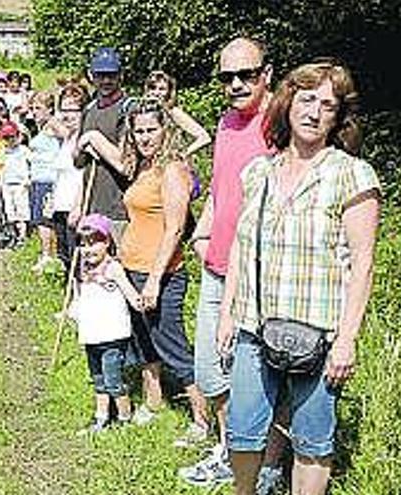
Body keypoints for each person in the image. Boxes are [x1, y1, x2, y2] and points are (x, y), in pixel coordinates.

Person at [216, 60, 380, 495]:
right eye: (307, 99)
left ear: (337, 117)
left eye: (327, 105)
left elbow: (363, 262)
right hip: (254, 325)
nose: (314, 112)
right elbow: (239, 247)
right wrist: (228, 314)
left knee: (312, 441)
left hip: (320, 331)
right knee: (243, 432)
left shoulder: (352, 174)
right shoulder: (259, 172)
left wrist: (346, 339)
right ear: (288, 103)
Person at [179, 37, 283, 488]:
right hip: (216, 267)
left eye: (246, 73)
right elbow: (223, 192)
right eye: (227, 77)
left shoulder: (281, 123)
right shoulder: (224, 123)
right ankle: (232, 450)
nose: (236, 84)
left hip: (260, 276)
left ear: (268, 72)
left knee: (262, 378)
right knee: (209, 369)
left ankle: (269, 465)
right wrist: (202, 236)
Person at [84, 100, 209, 435]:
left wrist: (154, 280)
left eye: (151, 129)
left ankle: (203, 419)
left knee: (173, 347)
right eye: (138, 131)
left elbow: (175, 228)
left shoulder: (173, 169)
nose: (144, 137)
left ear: (165, 129)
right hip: (131, 268)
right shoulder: (142, 167)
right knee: (143, 345)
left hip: (162, 274)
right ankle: (153, 401)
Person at [71, 213, 143, 433]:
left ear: (107, 242)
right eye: (83, 244)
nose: (88, 249)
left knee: (113, 379)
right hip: (91, 334)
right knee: (98, 379)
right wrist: (72, 312)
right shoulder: (81, 269)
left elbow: (130, 293)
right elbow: (78, 297)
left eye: (94, 243)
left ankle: (124, 418)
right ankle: (101, 417)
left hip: (112, 335)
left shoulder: (113, 268)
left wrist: (140, 302)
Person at [74, 47, 137, 239]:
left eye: (111, 75)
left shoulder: (128, 110)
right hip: (91, 206)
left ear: (121, 76)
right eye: (100, 75)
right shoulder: (89, 109)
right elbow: (78, 163)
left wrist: (93, 138)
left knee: (117, 267)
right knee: (92, 266)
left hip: (119, 209)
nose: (106, 81)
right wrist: (78, 204)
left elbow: (126, 165)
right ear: (91, 76)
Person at [51, 82, 89, 272]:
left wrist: (78, 206)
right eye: (63, 109)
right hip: (60, 207)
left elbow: (85, 175)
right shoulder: (67, 138)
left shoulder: (85, 140)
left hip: (75, 209)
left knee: (78, 260)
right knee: (65, 257)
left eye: (73, 109)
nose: (67, 114)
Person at [27, 91, 62, 271]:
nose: (34, 112)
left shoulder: (53, 124)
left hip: (48, 179)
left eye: (38, 108)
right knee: (40, 220)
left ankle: (49, 255)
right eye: (32, 108)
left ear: (49, 108)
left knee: (45, 220)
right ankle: (46, 254)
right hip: (38, 178)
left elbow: (68, 136)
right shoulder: (42, 127)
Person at [144, 70, 212, 159]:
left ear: (168, 92)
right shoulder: (141, 111)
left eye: (162, 89)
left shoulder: (172, 111)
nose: (156, 93)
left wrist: (182, 155)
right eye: (153, 87)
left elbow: (204, 138)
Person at [0, 120, 32, 243]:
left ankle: (23, 235)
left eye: (11, 137)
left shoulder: (23, 150)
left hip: (20, 184)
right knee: (10, 211)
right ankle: (14, 235)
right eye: (6, 137)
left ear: (17, 136)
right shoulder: (3, 152)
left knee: (22, 210)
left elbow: (33, 163)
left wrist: (28, 179)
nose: (9, 140)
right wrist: (0, 181)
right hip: (6, 184)